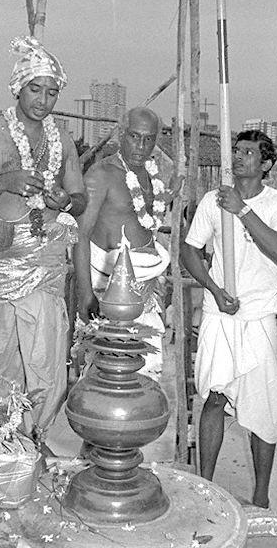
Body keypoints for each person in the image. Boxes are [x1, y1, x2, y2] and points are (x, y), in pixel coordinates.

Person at [0, 36, 86, 438]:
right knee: (2, 368)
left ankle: (32, 445)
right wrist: (2, 183)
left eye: (52, 91)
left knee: (47, 370)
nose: (44, 100)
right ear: (17, 87)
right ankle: (4, 450)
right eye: (35, 89)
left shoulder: (62, 140)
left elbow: (80, 202)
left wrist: (65, 199)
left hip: (44, 267)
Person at [181, 130, 277, 508]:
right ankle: (205, 486)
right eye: (236, 150)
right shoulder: (211, 201)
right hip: (220, 313)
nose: (239, 156)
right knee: (214, 397)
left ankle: (261, 497)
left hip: (258, 315)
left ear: (266, 164)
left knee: (263, 409)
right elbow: (189, 251)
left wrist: (242, 211)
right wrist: (215, 291)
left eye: (249, 152)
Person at [74, 107, 177, 380]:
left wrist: (165, 199)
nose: (141, 146)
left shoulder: (152, 176)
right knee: (105, 370)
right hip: (108, 289)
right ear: (121, 134)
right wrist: (85, 293)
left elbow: (145, 224)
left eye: (148, 139)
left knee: (147, 371)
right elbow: (80, 235)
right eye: (134, 136)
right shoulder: (101, 174)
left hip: (147, 286)